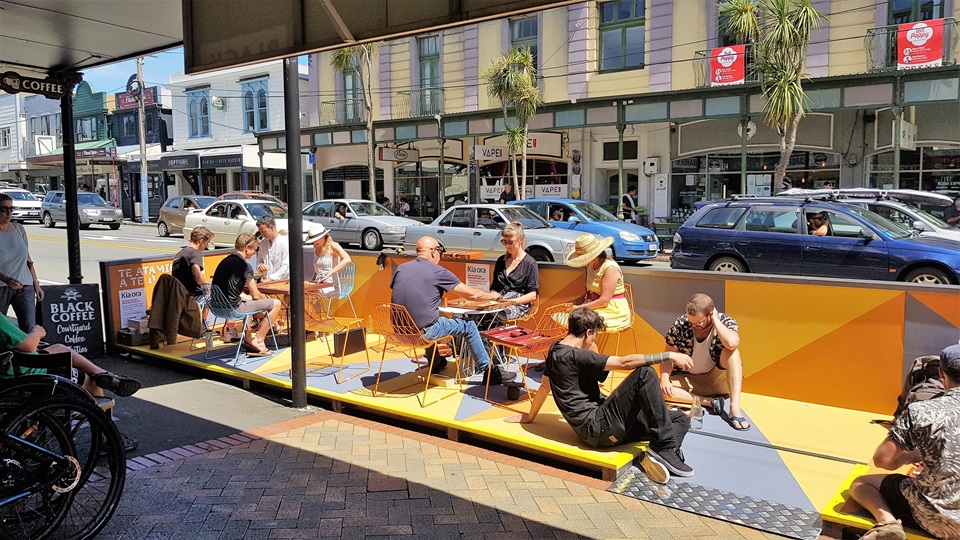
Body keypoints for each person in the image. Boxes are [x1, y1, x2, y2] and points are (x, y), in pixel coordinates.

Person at [506, 307, 696, 484]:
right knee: (645, 374)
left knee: (680, 418)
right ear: (588, 332)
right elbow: (624, 362)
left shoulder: (556, 349)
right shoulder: (576, 356)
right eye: (595, 335)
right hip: (600, 428)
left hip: (603, 428)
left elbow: (544, 387)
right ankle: (665, 448)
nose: (595, 340)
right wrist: (669, 356)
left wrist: (530, 416)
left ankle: (655, 455)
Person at [848, 344, 960, 540]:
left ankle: (887, 522)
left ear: (942, 373)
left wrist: (909, 457)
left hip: (936, 519)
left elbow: (882, 460)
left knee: (861, 483)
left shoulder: (921, 411)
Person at [390, 236, 515, 383]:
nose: (440, 255)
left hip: (398, 333)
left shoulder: (401, 268)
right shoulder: (437, 271)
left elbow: (409, 296)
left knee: (431, 320)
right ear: (432, 252)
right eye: (440, 251)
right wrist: (492, 296)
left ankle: (436, 363)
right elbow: (473, 294)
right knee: (468, 325)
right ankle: (490, 372)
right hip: (423, 334)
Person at [661, 293, 749, 431]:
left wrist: (716, 322)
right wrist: (665, 379)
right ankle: (708, 402)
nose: (695, 325)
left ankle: (734, 407)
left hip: (717, 379)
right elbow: (668, 355)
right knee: (657, 388)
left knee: (733, 352)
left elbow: (732, 343)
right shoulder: (681, 324)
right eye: (691, 322)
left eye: (699, 322)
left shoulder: (725, 321)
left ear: (710, 314)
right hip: (689, 381)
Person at [0, 316, 140, 399]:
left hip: (11, 368)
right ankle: (106, 437)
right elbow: (27, 345)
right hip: (23, 375)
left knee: (59, 348)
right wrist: (36, 332)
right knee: (91, 382)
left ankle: (102, 373)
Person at [212, 233, 281, 356]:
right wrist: (264, 301)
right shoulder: (245, 266)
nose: (255, 252)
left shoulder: (224, 261)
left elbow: (233, 292)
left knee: (248, 301)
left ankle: (248, 338)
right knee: (276, 304)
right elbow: (256, 295)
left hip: (217, 308)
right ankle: (259, 340)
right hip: (234, 309)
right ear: (247, 247)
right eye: (255, 249)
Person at [565, 234, 630, 332]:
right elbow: (589, 292)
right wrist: (571, 302)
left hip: (612, 310)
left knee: (579, 322)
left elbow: (604, 301)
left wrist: (578, 308)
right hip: (593, 306)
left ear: (594, 258)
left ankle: (587, 347)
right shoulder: (590, 266)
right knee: (562, 316)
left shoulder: (609, 268)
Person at [0, 194, 44, 332]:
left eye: (11, 209)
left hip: (24, 285)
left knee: (30, 328)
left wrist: (36, 283)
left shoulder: (19, 229)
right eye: (4, 209)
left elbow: (28, 259)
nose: (9, 213)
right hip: (1, 286)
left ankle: (30, 353)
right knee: (3, 329)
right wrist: (6, 279)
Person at [490, 222, 539, 322]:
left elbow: (533, 295)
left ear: (520, 240)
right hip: (499, 302)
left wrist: (512, 301)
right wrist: (491, 297)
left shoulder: (530, 263)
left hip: (518, 304)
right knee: (474, 313)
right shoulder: (501, 261)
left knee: (493, 314)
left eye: (510, 242)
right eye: (504, 242)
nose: (507, 245)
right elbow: (494, 287)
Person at [307, 224, 352, 294]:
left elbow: (347, 259)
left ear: (324, 236)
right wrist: (312, 281)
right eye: (313, 240)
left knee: (311, 295)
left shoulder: (333, 245)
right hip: (318, 283)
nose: (315, 242)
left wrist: (329, 274)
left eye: (316, 240)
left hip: (331, 285)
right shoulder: (316, 247)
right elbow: (318, 270)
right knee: (295, 294)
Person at [255, 215, 290, 281]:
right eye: (260, 232)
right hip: (265, 281)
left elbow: (286, 266)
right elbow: (259, 260)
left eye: (264, 231)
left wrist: (271, 278)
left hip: (280, 283)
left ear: (272, 228)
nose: (262, 234)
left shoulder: (285, 243)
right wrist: (260, 265)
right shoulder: (263, 243)